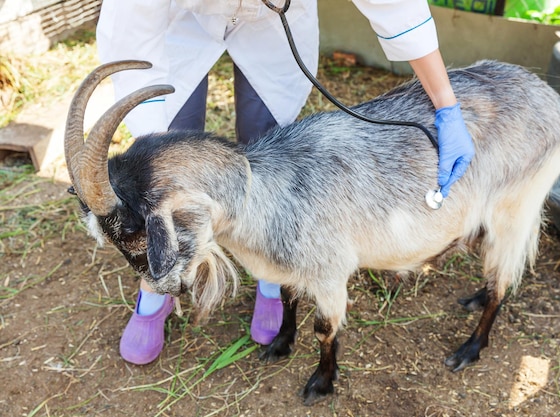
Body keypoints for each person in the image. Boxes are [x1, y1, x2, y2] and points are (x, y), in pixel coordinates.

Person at [96, 0, 474, 365]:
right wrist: (158, 170)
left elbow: (395, 4)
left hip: (272, 25)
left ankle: (274, 276)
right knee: (169, 149)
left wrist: (445, 102)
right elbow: (130, 27)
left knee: (265, 146)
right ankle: (156, 288)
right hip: (177, 19)